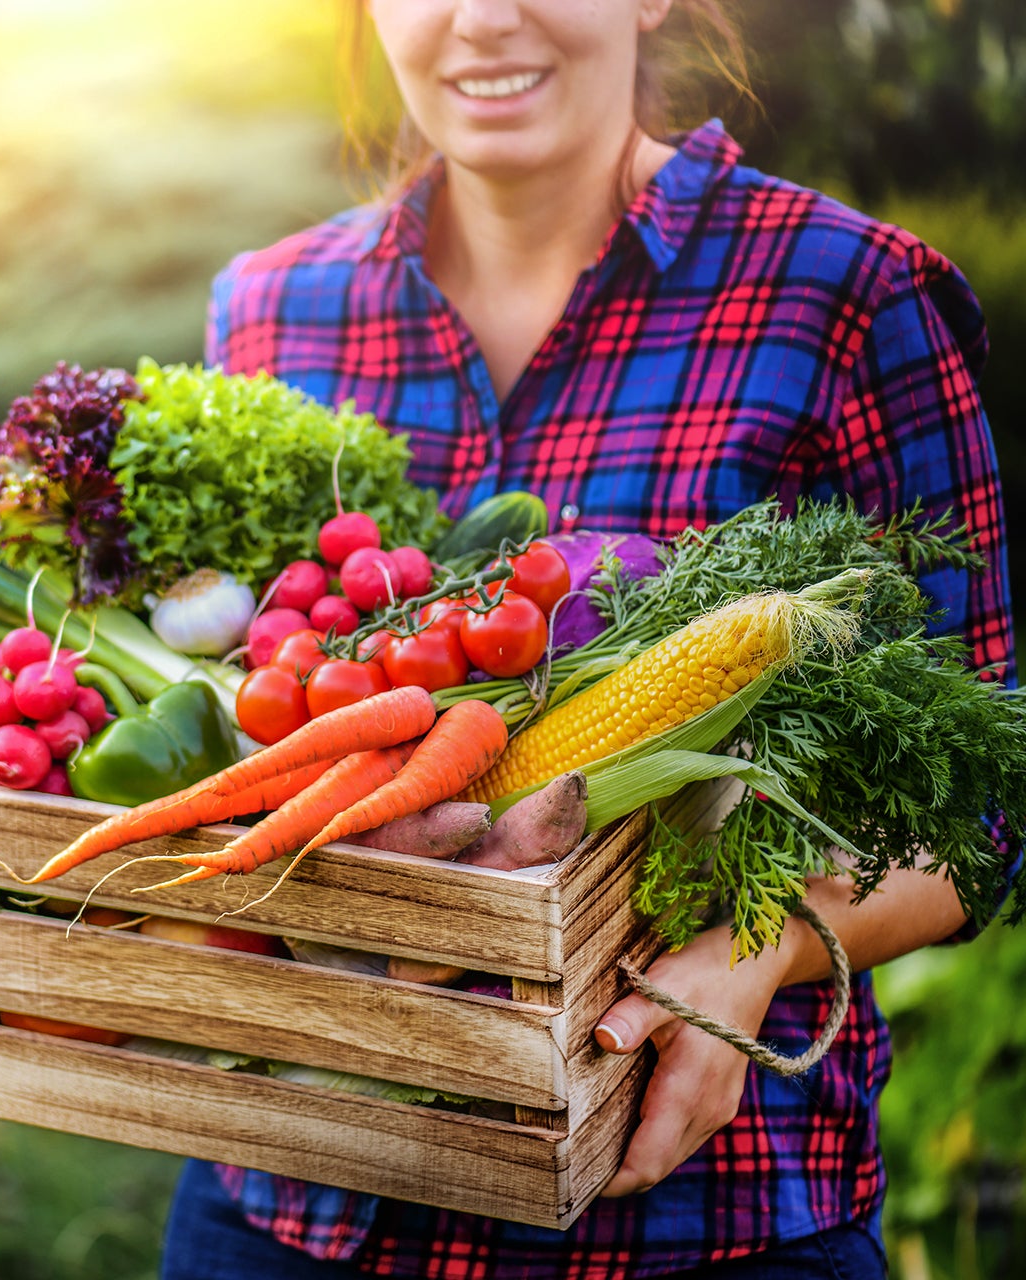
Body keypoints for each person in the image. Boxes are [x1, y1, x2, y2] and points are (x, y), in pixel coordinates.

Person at [162, 2, 1015, 1276]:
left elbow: (984, 805)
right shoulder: (277, 307)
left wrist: (755, 950)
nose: (484, 18)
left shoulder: (846, 295)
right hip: (297, 1201)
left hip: (693, 1217)